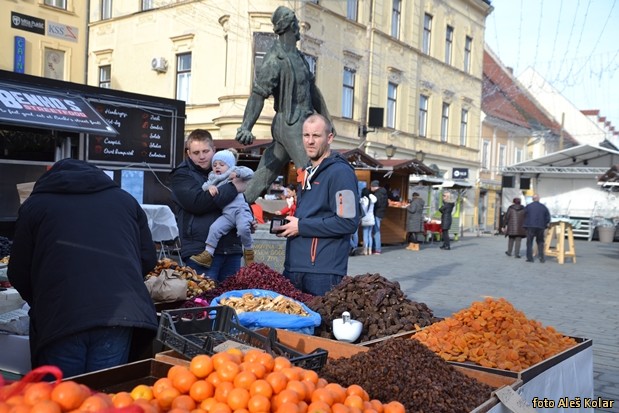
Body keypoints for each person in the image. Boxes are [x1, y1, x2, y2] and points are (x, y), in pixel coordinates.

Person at [8, 159, 158, 377]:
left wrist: (43, 300)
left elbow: (18, 271)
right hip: (118, 314)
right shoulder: (125, 200)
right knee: (102, 396)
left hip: (61, 315)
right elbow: (147, 258)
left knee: (60, 399)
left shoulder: (35, 205)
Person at [235, 5, 333, 203]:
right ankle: (313, 212)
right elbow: (258, 94)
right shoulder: (275, 59)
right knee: (310, 167)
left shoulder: (299, 58)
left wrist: (327, 121)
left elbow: (312, 90)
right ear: (288, 25)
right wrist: (246, 126)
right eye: (295, 23)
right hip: (289, 123)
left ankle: (238, 206)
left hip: (301, 122)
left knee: (266, 170)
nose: (298, 27)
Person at [276, 114, 359, 295]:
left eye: (316, 136)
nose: (310, 141)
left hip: (323, 272)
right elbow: (312, 214)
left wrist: (301, 226)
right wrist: (290, 223)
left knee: (321, 323)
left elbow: (348, 222)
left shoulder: (340, 173)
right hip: (294, 267)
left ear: (329, 138)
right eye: (306, 135)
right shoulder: (308, 172)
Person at [170, 129, 250, 282]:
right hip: (200, 251)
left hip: (231, 248)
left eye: (205, 151)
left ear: (214, 150)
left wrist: (249, 218)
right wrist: (233, 187)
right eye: (196, 152)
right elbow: (197, 203)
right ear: (188, 153)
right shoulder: (181, 175)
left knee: (228, 302)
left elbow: (240, 200)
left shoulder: (227, 171)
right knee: (203, 302)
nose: (201, 156)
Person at [189, 149, 255, 268]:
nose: (217, 167)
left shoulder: (234, 171)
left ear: (229, 165)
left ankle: (249, 251)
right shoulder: (213, 178)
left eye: (221, 164)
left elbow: (250, 173)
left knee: (243, 228)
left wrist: (238, 173)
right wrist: (210, 187)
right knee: (215, 228)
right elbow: (204, 186)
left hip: (240, 209)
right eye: (214, 165)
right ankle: (208, 254)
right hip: (227, 214)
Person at [523, 194, 551, 263]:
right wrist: (544, 224)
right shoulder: (543, 207)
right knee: (540, 242)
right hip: (540, 227)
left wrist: (525, 224)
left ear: (533, 199)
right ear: (539, 199)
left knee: (529, 242)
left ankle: (530, 258)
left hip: (530, 226)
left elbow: (524, 215)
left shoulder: (528, 206)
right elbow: (548, 218)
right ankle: (541, 257)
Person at [370, 180, 388, 255]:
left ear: (374, 187)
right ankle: (376, 248)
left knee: (376, 231)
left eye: (371, 186)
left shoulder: (377, 194)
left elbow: (377, 204)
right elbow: (386, 204)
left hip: (376, 214)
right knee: (376, 231)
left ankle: (377, 249)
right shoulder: (384, 193)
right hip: (381, 214)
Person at [359, 187, 377, 255]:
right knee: (370, 235)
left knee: (365, 235)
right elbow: (374, 198)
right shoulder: (372, 200)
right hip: (371, 219)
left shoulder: (363, 200)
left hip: (365, 219)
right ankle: (370, 250)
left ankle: (365, 250)